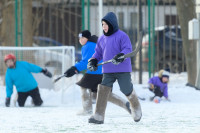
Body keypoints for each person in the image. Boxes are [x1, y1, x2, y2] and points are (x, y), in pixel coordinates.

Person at [87, 12, 142, 124]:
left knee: (126, 88)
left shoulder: (122, 36)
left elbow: (127, 49)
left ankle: (136, 108)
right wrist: (93, 60)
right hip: (108, 70)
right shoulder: (102, 38)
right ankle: (98, 115)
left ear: (112, 24)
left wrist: (120, 56)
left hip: (122, 69)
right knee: (103, 89)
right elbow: (98, 53)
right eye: (102, 25)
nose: (104, 27)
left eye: (106, 24)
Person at [64, 30, 131, 115]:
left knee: (84, 86)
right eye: (79, 38)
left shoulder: (88, 46)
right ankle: (125, 104)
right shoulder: (97, 43)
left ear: (87, 38)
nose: (80, 40)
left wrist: (74, 69)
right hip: (106, 71)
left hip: (95, 72)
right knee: (105, 94)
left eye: (83, 38)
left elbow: (86, 62)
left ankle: (87, 109)